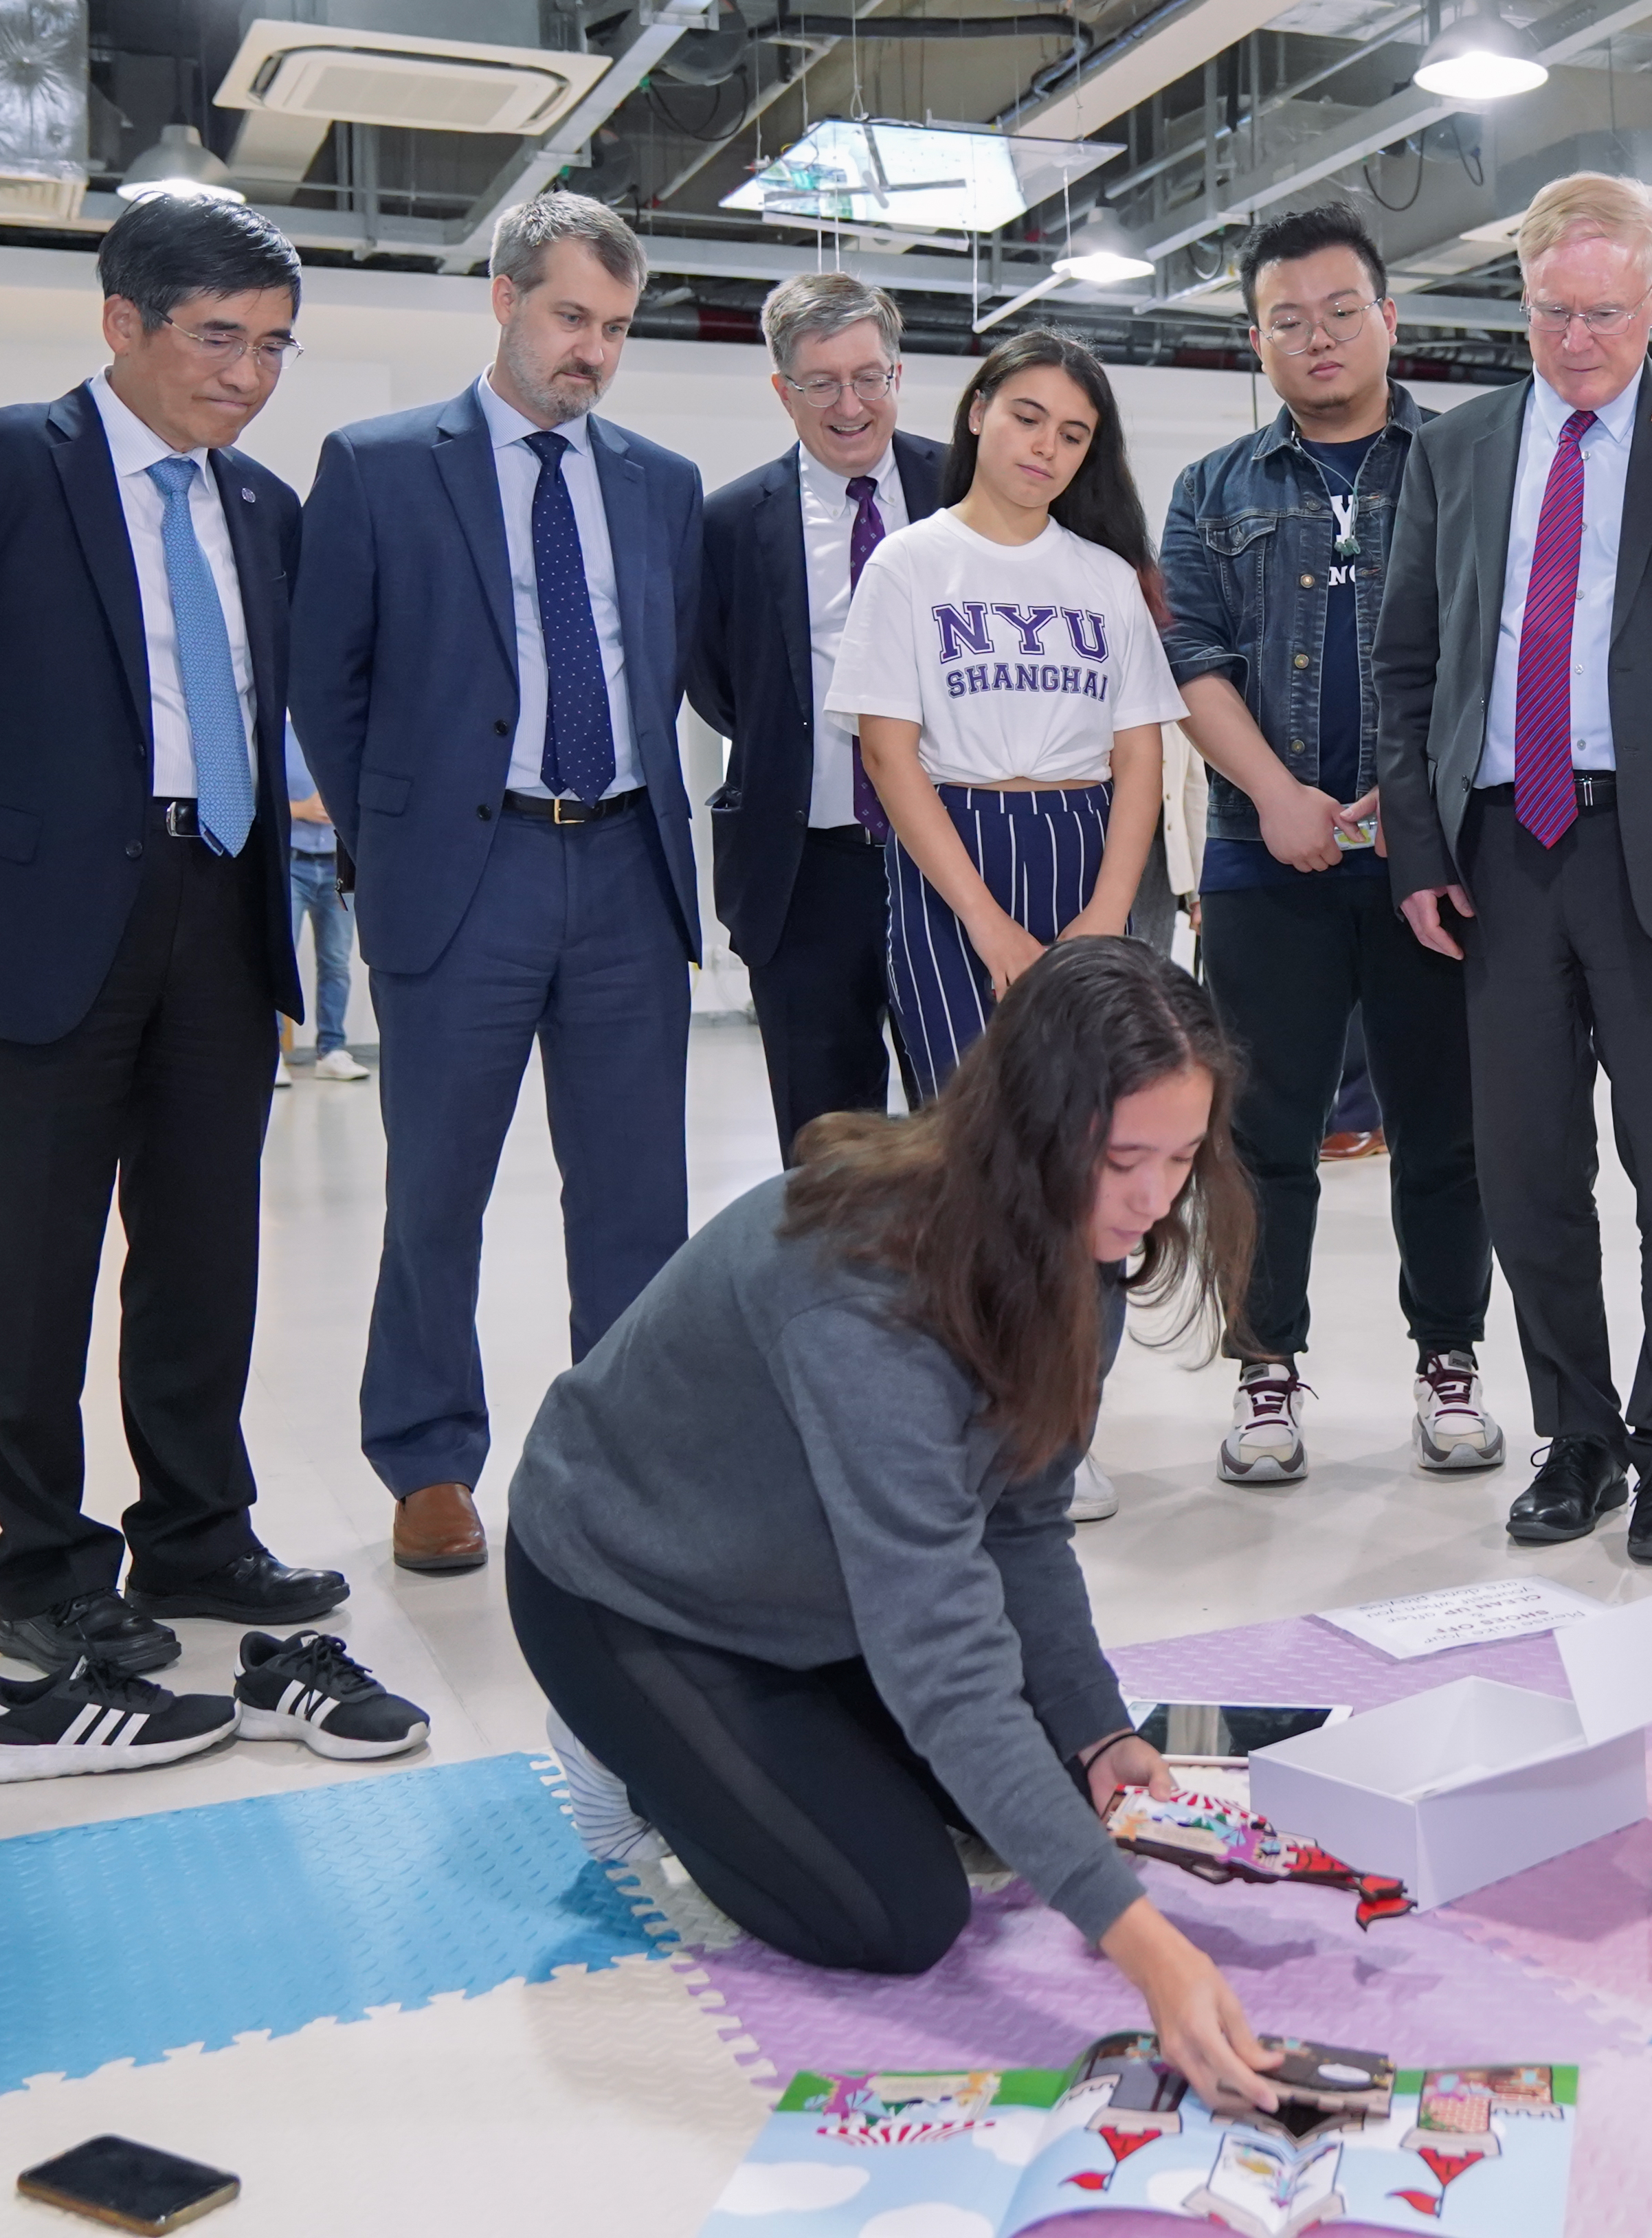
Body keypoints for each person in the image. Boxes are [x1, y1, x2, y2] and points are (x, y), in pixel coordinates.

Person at [504, 937, 1275, 2108]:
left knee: (1065, 1799)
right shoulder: (859, 1292)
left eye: (1180, 1157)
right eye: (1123, 1158)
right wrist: (1147, 1951)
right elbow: (944, 1660)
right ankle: (625, 1748)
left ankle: (782, 1748)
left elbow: (1020, 1529)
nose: (1156, 1198)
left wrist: (1100, 1735)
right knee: (897, 1913)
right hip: (632, 1593)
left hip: (820, 1599)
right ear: (1032, 1129)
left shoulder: (1081, 1251)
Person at [0, 192, 346, 1769]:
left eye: (272, 348)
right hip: (38, 919)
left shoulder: (264, 506)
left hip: (219, 899)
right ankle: (47, 1571)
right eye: (217, 338)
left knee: (205, 1245)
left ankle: (196, 1526)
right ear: (122, 321)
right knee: (31, 1261)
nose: (248, 376)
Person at [1370, 171, 1652, 1566]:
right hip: (1502, 844)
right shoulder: (1458, 450)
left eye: (1605, 313)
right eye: (1553, 311)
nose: (1576, 340)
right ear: (1523, 301)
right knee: (1524, 1168)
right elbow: (1408, 663)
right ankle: (1580, 1438)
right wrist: (1419, 845)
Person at [292, 194, 708, 1583]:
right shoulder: (378, 464)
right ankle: (426, 1455)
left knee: (639, 1198)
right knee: (437, 1188)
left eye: (615, 328)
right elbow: (326, 684)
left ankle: (631, 1460)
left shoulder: (660, 483)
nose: (590, 350)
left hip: (627, 862)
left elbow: (670, 670)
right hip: (465, 875)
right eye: (569, 316)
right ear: (505, 299)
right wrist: (393, 841)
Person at [1158, 201, 1501, 1489]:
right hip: (1268, 860)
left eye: (1340, 312)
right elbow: (1191, 657)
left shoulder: (1467, 462)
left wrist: (1407, 809)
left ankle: (1451, 1360)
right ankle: (1265, 1369)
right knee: (1263, 1134)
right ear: (1257, 339)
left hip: (1435, 864)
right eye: (1287, 321)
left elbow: (1494, 650)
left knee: (1445, 1129)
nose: (1317, 339)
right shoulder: (1213, 489)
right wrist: (1281, 796)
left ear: (1388, 320)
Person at [835, 329, 1186, 1105]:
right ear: (977, 413)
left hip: (1086, 848)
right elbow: (889, 758)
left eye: (1072, 434)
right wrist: (986, 922)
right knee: (968, 1121)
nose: (1046, 449)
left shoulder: (1106, 577)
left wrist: (1106, 914)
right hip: (951, 851)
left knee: (1084, 1124)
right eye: (1027, 418)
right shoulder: (908, 563)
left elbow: (1140, 760)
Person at [687, 274, 948, 1156]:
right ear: (781, 390)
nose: (851, 404)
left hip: (955, 867)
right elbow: (723, 689)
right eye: (822, 382)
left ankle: (962, 1300)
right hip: (805, 878)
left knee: (974, 1131)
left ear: (898, 374)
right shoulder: (725, 525)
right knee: (826, 1149)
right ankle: (835, 1300)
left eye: (870, 376)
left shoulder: (967, 488)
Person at [278, 718, 366, 1083]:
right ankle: (273, 1056)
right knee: (280, 960)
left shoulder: (342, 729)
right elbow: (252, 793)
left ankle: (332, 1049)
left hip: (338, 866)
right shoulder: (274, 730)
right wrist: (299, 809)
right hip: (292, 864)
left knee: (336, 961)